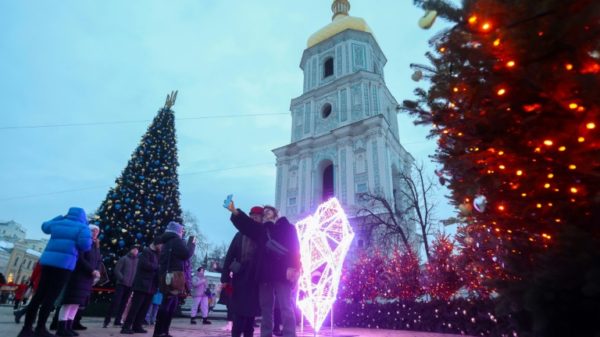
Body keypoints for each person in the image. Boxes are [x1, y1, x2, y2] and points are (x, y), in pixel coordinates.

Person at [226, 201, 301, 337]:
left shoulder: (287, 227)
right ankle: (266, 334)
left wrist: (293, 266)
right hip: (264, 274)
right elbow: (246, 225)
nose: (265, 213)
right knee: (266, 309)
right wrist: (235, 212)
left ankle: (290, 334)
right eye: (264, 212)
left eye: (268, 211)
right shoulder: (261, 230)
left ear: (275, 213)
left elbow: (295, 248)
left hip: (282, 273)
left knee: (286, 306)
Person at [18, 207, 92, 337]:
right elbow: (85, 246)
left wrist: (59, 217)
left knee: (38, 295)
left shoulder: (58, 223)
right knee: (50, 297)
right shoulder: (82, 227)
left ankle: (26, 328)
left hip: (47, 263)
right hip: (64, 265)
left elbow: (45, 227)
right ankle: (40, 328)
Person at [222, 206, 263, 337]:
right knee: (238, 315)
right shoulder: (239, 236)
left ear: (261, 219)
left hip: (254, 279)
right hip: (239, 278)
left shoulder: (262, 234)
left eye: (257, 217)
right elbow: (229, 257)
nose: (254, 219)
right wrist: (224, 278)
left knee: (250, 318)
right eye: (252, 216)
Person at [56, 224, 102, 337]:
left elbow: (99, 260)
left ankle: (69, 327)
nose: (95, 233)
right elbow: (80, 259)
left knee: (76, 303)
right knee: (69, 302)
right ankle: (61, 328)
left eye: (97, 232)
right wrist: (91, 270)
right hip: (78, 276)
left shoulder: (96, 246)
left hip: (88, 278)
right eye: (93, 231)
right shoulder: (84, 243)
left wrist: (98, 270)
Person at [153, 222, 195, 337]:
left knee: (171, 303)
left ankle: (163, 331)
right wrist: (192, 244)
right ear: (177, 231)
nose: (182, 233)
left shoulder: (167, 241)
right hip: (173, 276)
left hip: (165, 275)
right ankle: (159, 332)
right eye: (181, 231)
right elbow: (186, 254)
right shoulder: (176, 241)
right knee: (167, 304)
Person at [120, 238, 162, 334]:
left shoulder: (157, 254)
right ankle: (126, 326)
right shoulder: (146, 252)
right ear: (156, 244)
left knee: (144, 308)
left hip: (151, 286)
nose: (162, 247)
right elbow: (145, 265)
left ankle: (137, 326)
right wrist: (157, 267)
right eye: (161, 245)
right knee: (135, 307)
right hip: (142, 284)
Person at [104, 246, 139, 328]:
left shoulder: (137, 261)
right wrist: (122, 278)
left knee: (124, 304)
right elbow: (117, 270)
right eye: (134, 249)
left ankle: (117, 320)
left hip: (130, 286)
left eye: (137, 250)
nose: (135, 251)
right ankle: (107, 320)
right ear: (130, 250)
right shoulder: (124, 259)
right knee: (115, 302)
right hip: (121, 284)